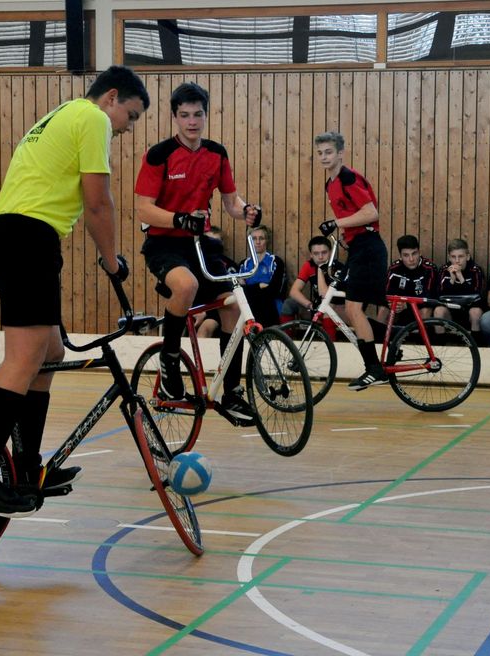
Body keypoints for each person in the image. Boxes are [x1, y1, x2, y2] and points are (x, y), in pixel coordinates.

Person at [0, 65, 150, 517]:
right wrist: (112, 258)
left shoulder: (60, 115)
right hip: (27, 240)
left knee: (51, 353)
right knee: (23, 359)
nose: (126, 128)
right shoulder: (93, 119)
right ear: (112, 97)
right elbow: (98, 200)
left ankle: (27, 468)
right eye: (131, 117)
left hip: (13, 237)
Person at [134, 81, 262, 421]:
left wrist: (247, 211)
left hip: (201, 244)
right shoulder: (159, 155)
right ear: (175, 117)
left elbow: (232, 203)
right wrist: (179, 219)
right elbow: (144, 210)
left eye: (198, 114)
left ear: (206, 115)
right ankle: (170, 364)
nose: (192, 121)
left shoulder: (216, 154)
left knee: (232, 304)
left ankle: (231, 391)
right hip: (164, 243)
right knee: (186, 286)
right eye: (185, 115)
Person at [316, 131, 390, 390]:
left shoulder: (348, 177)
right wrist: (347, 237)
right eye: (320, 153)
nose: (324, 157)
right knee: (352, 308)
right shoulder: (330, 183)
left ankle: (374, 369)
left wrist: (336, 223)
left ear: (340, 153)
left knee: (353, 308)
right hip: (358, 247)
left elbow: (370, 212)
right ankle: (388, 351)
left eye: (328, 152)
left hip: (370, 249)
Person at [281, 234, 348, 340]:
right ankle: (287, 343)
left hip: (338, 310)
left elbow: (324, 295)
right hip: (318, 307)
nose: (320, 257)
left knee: (328, 309)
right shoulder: (309, 265)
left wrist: (320, 269)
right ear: (311, 255)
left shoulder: (338, 268)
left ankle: (332, 346)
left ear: (330, 253)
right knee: (289, 304)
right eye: (316, 253)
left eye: (324, 253)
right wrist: (309, 305)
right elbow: (294, 292)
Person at [377, 234, 439, 327]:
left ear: (420, 252)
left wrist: (407, 305)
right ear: (400, 257)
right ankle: (381, 340)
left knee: (426, 310)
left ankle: (421, 341)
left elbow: (430, 298)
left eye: (414, 253)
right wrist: (393, 304)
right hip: (401, 311)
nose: (411, 259)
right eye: (406, 255)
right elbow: (385, 294)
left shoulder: (429, 268)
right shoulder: (394, 269)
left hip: (420, 309)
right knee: (384, 309)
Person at [238, 224, 287, 328]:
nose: (258, 242)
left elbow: (274, 291)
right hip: (249, 311)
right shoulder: (244, 264)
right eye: (254, 238)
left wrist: (249, 289)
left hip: (271, 309)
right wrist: (259, 286)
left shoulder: (276, 262)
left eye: (261, 238)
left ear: (267, 240)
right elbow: (239, 293)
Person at [436, 237, 486, 336]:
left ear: (467, 256)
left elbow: (478, 295)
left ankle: (477, 348)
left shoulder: (476, 270)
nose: (457, 261)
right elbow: (439, 295)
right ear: (449, 257)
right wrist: (452, 280)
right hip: (450, 312)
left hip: (469, 313)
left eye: (461, 256)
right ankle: (438, 348)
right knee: (438, 311)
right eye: (453, 257)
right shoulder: (444, 270)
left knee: (475, 312)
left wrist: (460, 277)